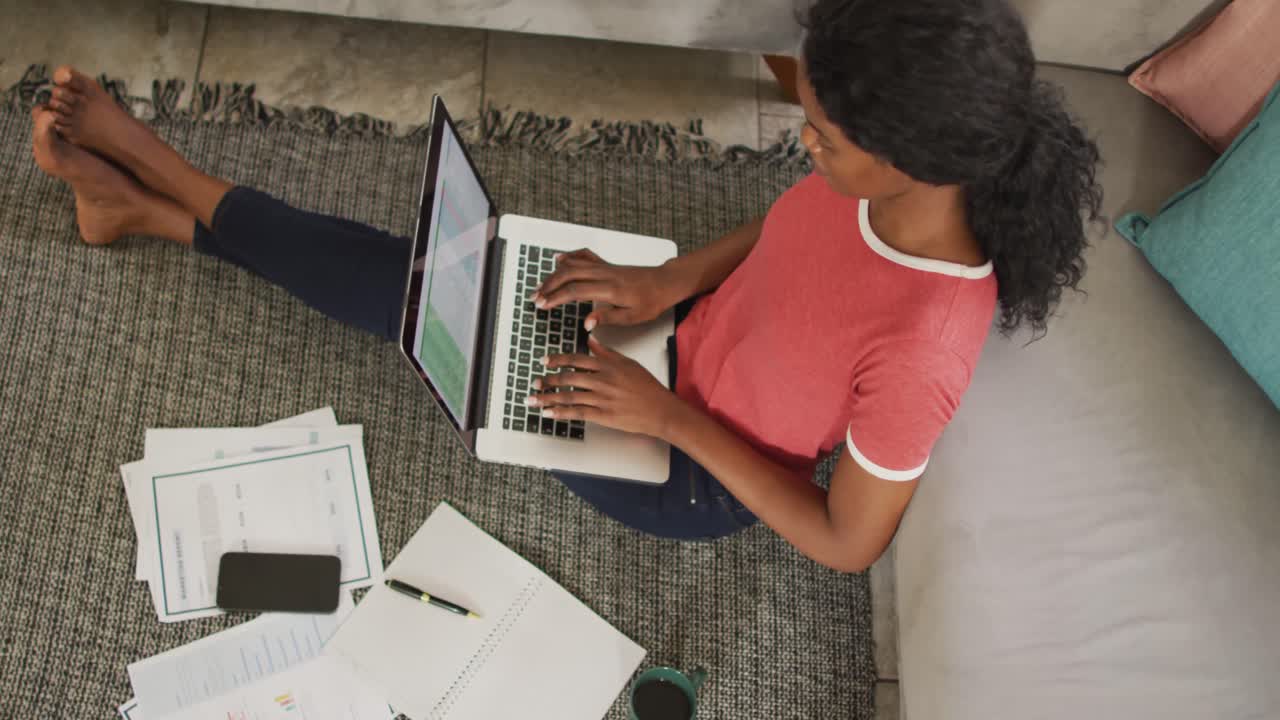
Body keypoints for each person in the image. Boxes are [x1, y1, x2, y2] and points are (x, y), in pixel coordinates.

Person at [31, 0, 1100, 572]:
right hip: (676, 345)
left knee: (428, 309)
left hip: (688, 473)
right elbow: (787, 240)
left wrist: (666, 414)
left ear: (908, 153)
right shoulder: (876, 187)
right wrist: (668, 277)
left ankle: (166, 184)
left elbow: (843, 540)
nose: (802, 143)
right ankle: (151, 208)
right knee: (457, 285)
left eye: (818, 133)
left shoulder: (921, 347)